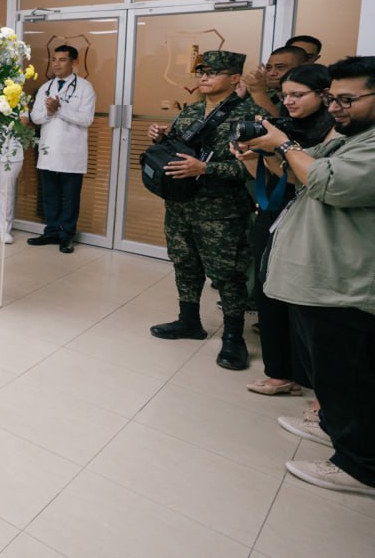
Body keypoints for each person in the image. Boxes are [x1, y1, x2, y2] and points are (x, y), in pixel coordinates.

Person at [242, 56, 375, 498]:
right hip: (321, 280)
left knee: (349, 375)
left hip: (346, 283)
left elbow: (328, 183)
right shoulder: (352, 139)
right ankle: (336, 428)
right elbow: (301, 171)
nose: (336, 108)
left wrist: (282, 144)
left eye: (347, 100)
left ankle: (360, 466)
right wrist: (265, 153)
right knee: (331, 372)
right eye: (334, 98)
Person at [147, 50, 259, 370]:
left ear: (235, 78)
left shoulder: (250, 115)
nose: (205, 77)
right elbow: (178, 148)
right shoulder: (192, 111)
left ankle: (233, 337)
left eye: (213, 72)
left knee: (228, 274)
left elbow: (253, 169)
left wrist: (206, 169)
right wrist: (162, 137)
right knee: (184, 263)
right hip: (181, 204)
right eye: (202, 72)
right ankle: (189, 321)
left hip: (221, 210)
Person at [232, 64, 334, 396]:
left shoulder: (332, 132)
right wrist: (251, 156)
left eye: (297, 95)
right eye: (286, 94)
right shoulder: (284, 125)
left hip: (310, 220)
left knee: (301, 302)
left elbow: (308, 179)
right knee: (267, 290)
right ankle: (279, 372)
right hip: (275, 212)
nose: (288, 101)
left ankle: (308, 381)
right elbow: (278, 178)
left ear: (324, 95)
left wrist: (283, 146)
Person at [27, 45, 96, 253]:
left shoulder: (85, 88)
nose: (56, 64)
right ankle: (51, 232)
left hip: (71, 152)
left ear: (74, 62)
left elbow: (86, 119)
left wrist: (60, 109)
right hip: (49, 150)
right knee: (50, 196)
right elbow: (35, 117)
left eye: (62, 59)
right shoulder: (45, 87)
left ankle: (66, 236)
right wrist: (49, 113)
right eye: (54, 59)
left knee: (70, 198)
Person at [241, 45, 306, 118]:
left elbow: (283, 123)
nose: (271, 73)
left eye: (280, 67)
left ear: (302, 68)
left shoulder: (308, 96)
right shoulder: (270, 93)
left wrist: (258, 92)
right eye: (268, 68)